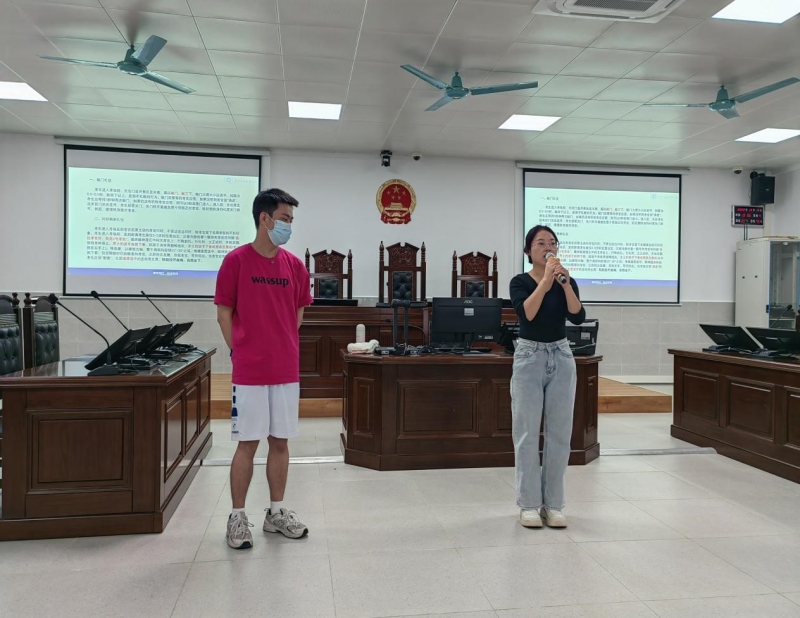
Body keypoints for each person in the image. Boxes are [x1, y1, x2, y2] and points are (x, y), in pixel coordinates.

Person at [214, 188, 313, 550]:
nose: (289, 226)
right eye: (284, 219)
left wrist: (279, 345)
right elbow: (224, 314)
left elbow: (297, 316)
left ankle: (276, 512)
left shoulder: (295, 266)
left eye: (291, 220)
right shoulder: (236, 261)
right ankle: (238, 516)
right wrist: (240, 350)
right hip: (250, 372)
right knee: (247, 443)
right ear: (265, 219)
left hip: (285, 369)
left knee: (280, 442)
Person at [509, 225, 585, 529]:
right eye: (540, 243)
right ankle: (529, 505)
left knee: (559, 434)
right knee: (527, 433)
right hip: (530, 356)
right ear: (529, 250)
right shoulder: (520, 282)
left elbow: (577, 316)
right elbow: (527, 313)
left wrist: (564, 284)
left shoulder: (566, 280)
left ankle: (553, 505)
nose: (548, 247)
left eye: (552, 243)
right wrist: (545, 281)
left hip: (561, 355)